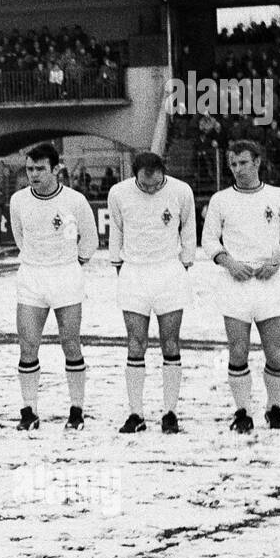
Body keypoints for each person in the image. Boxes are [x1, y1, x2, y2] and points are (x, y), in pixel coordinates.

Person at [201, 139, 280, 433]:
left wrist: (279, 259)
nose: (238, 169)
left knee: (275, 352)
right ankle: (242, 412)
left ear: (257, 162)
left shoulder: (278, 196)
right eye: (233, 164)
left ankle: (274, 409)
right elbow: (208, 240)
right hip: (235, 283)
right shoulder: (221, 200)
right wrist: (228, 262)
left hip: (269, 282)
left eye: (243, 163)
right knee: (237, 350)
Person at [9, 143, 98, 431]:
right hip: (32, 276)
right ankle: (29, 410)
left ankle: (76, 410)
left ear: (55, 169)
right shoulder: (19, 200)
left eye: (40, 169)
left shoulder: (74, 201)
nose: (33, 174)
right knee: (28, 344)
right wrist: (38, 260)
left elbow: (89, 240)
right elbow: (20, 237)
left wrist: (73, 262)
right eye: (29, 169)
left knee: (70, 342)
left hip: (66, 275)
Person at [107, 152, 197, 434]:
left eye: (155, 185)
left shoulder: (181, 191)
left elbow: (189, 231)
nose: (150, 189)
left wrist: (183, 263)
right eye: (144, 185)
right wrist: (118, 262)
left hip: (168, 271)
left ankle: (170, 412)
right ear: (136, 175)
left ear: (163, 173)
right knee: (136, 344)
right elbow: (117, 231)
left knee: (170, 344)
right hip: (134, 272)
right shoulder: (118, 193)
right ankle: (136, 414)